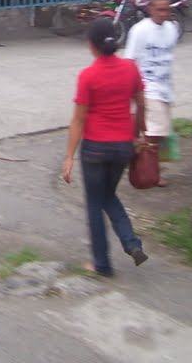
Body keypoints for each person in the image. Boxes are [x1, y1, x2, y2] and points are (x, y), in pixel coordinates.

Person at [62, 17, 149, 277]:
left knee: (94, 202)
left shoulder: (88, 76)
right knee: (108, 195)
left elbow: (79, 119)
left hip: (95, 150)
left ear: (92, 45)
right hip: (123, 147)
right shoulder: (131, 69)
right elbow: (142, 104)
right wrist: (139, 134)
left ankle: (102, 264)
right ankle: (131, 243)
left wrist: (68, 157)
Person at [124, 0, 178, 182]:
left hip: (164, 87)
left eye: (167, 9)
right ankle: (148, 172)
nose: (164, 13)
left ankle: (138, 162)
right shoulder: (140, 30)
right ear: (150, 9)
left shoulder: (172, 29)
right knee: (154, 133)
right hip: (147, 87)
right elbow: (130, 60)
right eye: (160, 9)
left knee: (157, 134)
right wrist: (132, 90)